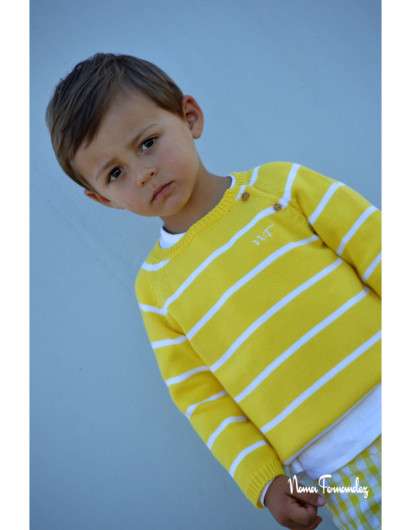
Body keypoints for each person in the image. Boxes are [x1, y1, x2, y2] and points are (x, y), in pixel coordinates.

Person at [45, 52, 381, 530]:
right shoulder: (157, 288)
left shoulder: (282, 188)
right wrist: (265, 482)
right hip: (340, 473)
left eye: (147, 143)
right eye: (115, 174)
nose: (142, 173)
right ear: (103, 198)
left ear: (190, 117)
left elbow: (380, 252)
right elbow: (202, 399)